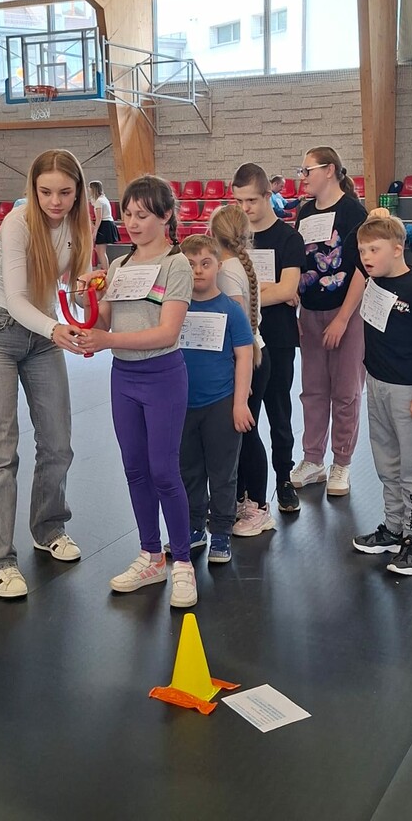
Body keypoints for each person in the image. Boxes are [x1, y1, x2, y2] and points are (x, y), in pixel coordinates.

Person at [70, 175, 197, 609]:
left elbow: (167, 332)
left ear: (166, 216)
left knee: (164, 470)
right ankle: (150, 556)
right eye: (127, 214)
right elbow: (104, 322)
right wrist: (86, 296)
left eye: (142, 215)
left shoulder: (177, 265)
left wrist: (107, 340)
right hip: (123, 377)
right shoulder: (119, 267)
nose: (133, 223)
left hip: (163, 376)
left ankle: (182, 562)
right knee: (135, 469)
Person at [0, 149, 92, 598]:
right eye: (45, 192)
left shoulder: (81, 225)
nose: (55, 202)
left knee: (58, 442)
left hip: (43, 336)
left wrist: (89, 290)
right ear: (33, 189)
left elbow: (75, 292)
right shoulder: (17, 223)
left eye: (65, 192)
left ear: (78, 192)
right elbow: (17, 299)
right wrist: (56, 328)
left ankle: (49, 528)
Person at [352, 212, 412, 575]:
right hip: (376, 384)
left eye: (374, 249)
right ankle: (393, 528)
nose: (366, 257)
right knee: (387, 462)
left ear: (398, 249)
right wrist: (371, 219)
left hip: (408, 392)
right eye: (363, 250)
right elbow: (348, 243)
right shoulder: (374, 281)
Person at [291, 147, 368, 499]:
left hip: (345, 312)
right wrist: (296, 309)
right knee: (313, 390)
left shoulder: (353, 211)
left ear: (330, 170)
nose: (302, 177)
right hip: (310, 312)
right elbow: (299, 264)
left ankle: (342, 462)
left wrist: (342, 319)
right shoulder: (305, 212)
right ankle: (313, 459)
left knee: (346, 391)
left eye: (307, 170)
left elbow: (362, 269)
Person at [231, 162, 305, 514]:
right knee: (243, 413)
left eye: (251, 200)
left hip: (278, 336)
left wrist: (246, 292)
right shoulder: (234, 239)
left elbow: (288, 289)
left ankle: (284, 478)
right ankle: (244, 485)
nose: (244, 208)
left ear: (267, 196)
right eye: (238, 201)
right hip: (241, 340)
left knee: (278, 410)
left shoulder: (289, 239)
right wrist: (270, 289)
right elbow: (221, 286)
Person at [177, 234, 254, 564]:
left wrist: (240, 403)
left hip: (221, 404)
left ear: (218, 267)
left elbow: (245, 357)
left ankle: (221, 531)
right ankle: (194, 528)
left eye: (205, 263)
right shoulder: (175, 309)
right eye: (190, 264)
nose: (198, 270)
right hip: (181, 406)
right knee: (188, 471)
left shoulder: (231, 310)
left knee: (223, 473)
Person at [209, 204, 275, 537]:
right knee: (241, 434)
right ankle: (241, 499)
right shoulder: (238, 264)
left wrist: (240, 374)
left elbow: (234, 325)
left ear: (212, 234)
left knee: (246, 434)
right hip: (254, 354)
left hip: (246, 360)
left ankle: (258, 506)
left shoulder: (226, 271)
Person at [88, 180, 119, 271]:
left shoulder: (99, 201)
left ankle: (106, 271)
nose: (88, 190)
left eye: (90, 188)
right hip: (107, 223)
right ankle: (105, 269)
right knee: (100, 250)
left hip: (104, 225)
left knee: (101, 251)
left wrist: (95, 232)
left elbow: (99, 217)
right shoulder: (103, 199)